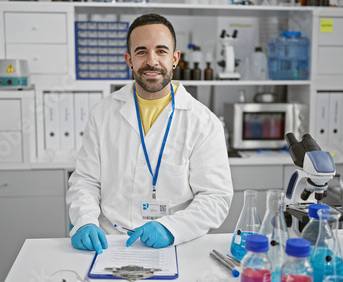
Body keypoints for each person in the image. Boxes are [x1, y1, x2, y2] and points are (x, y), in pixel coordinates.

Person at [66, 13, 233, 254]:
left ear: (175, 59)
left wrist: (171, 228)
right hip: (109, 242)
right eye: (141, 51)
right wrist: (84, 221)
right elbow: (85, 180)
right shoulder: (102, 114)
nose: (151, 61)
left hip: (175, 243)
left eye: (161, 51)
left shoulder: (203, 122)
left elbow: (215, 197)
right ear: (129, 59)